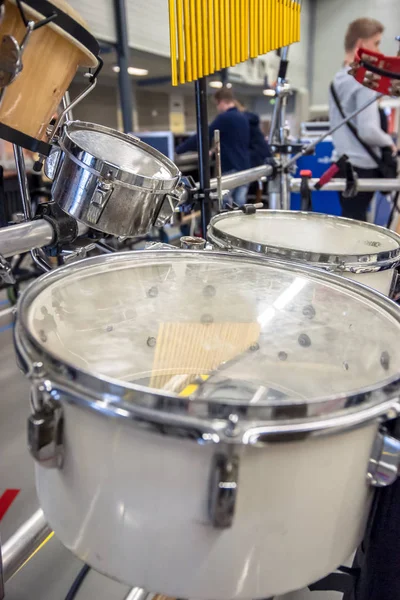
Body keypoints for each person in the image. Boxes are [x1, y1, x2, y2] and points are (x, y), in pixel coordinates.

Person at [329, 18, 397, 221]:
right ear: (360, 44)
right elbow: (368, 131)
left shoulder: (338, 79)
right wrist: (389, 143)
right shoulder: (362, 80)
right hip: (363, 168)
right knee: (359, 231)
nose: (379, 50)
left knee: (350, 223)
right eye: (376, 43)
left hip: (342, 165)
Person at [176, 88, 250, 207]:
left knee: (225, 204)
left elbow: (203, 135)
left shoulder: (225, 118)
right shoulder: (243, 118)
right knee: (240, 205)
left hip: (231, 167)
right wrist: (212, 150)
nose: (217, 108)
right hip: (244, 166)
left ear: (221, 102)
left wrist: (179, 149)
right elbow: (234, 141)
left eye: (217, 104)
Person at [236, 100, 273, 202]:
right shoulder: (251, 120)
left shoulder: (244, 119)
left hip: (256, 156)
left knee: (243, 185)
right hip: (261, 154)